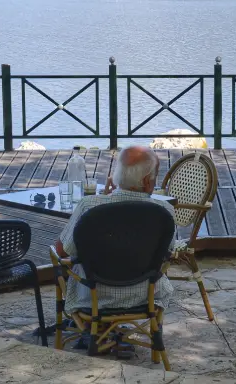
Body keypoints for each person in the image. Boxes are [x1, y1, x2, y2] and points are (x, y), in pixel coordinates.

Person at [54, 146, 175, 347]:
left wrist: (106, 202)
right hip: (145, 294)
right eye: (155, 175)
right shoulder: (165, 211)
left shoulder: (89, 206)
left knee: (64, 262)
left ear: (116, 175)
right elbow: (167, 252)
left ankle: (93, 331)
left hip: (92, 296)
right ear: (146, 181)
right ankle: (109, 334)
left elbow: (62, 251)